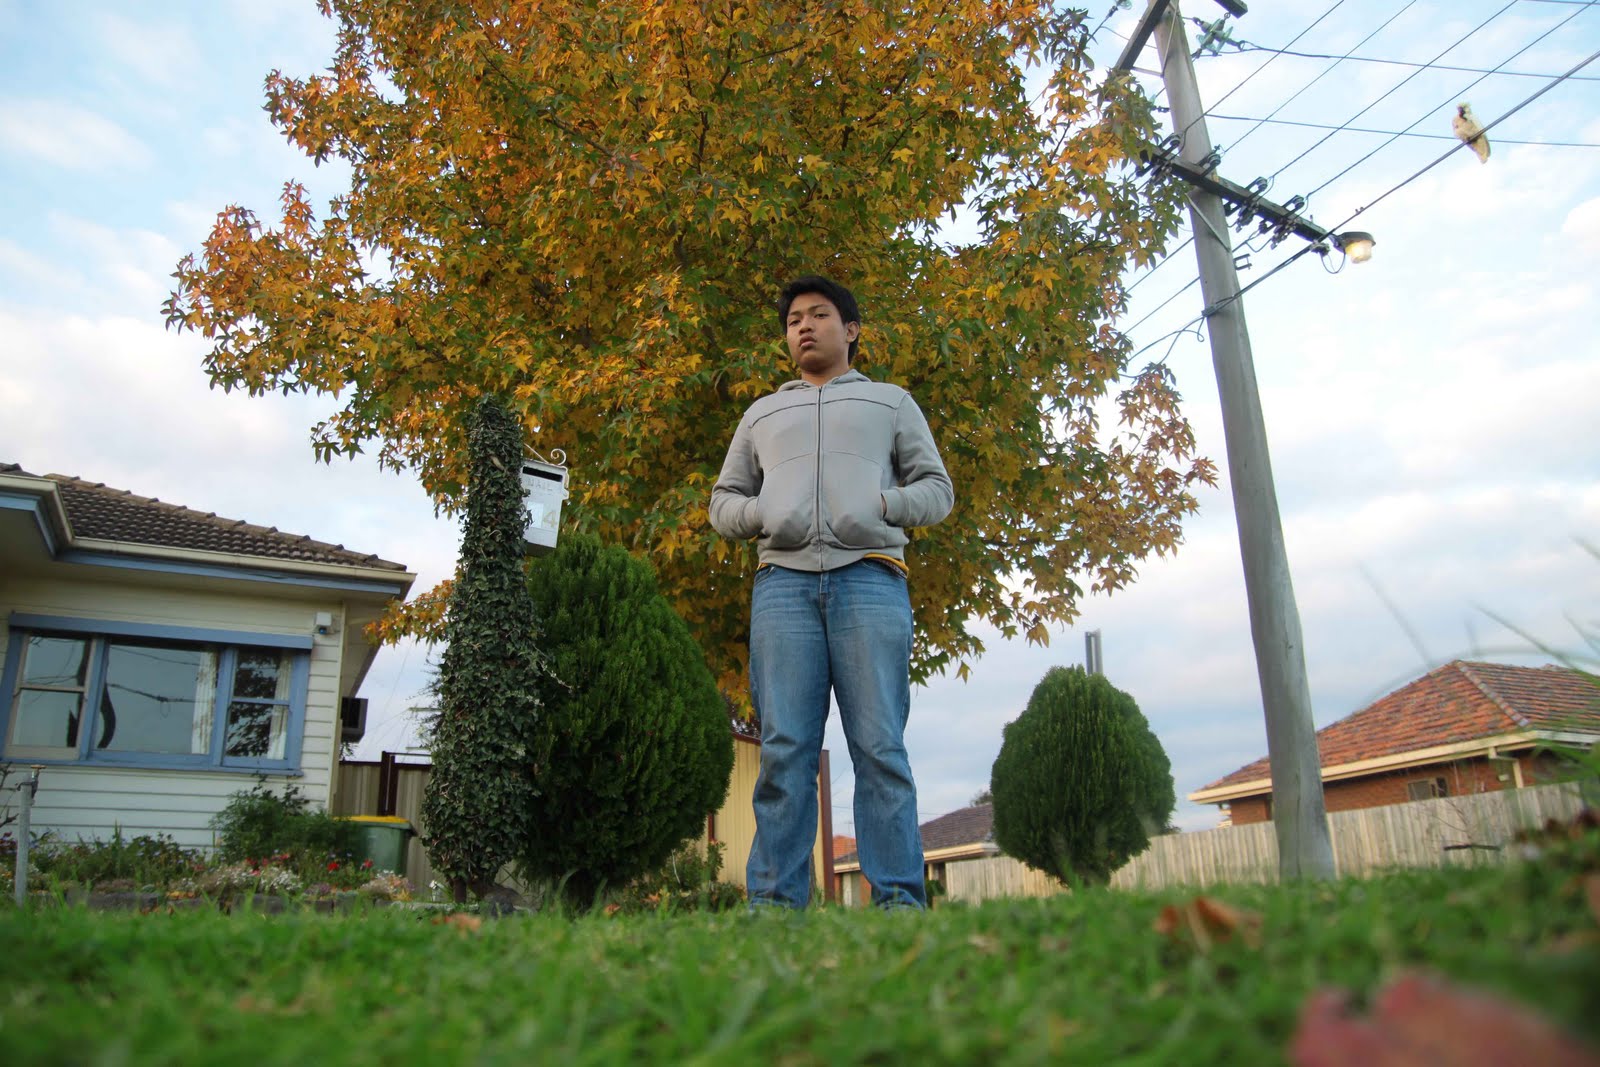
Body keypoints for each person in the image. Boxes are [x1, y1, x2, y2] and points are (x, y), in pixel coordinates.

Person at [709, 275, 954, 910]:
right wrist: (762, 514)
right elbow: (723, 501)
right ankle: (774, 906)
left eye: (818, 315)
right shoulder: (761, 414)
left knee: (880, 747)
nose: (804, 327)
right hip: (782, 586)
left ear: (851, 330)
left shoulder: (891, 403)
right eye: (794, 320)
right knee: (784, 750)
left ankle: (898, 903)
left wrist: (883, 505)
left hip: (870, 576)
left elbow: (937, 490)